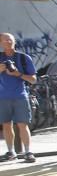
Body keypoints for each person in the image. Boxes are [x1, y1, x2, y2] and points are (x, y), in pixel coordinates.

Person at [0, 32, 37, 163]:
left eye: (10, 40)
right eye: (5, 40)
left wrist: (17, 74)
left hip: (20, 96)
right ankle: (11, 152)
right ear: (0, 43)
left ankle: (28, 151)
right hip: (2, 97)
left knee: (22, 124)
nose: (8, 42)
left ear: (14, 41)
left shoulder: (23, 58)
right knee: (6, 125)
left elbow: (33, 79)